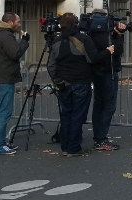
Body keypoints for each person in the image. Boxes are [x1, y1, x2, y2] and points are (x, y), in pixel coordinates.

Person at [47, 13, 113, 157]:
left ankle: (65, 147)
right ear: (76, 24)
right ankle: (73, 148)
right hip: (81, 82)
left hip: (63, 84)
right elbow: (94, 58)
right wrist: (108, 52)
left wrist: (56, 80)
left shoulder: (56, 41)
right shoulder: (83, 39)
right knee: (77, 116)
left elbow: (51, 65)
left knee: (66, 115)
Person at [0, 12, 29, 155]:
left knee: (0, 112)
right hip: (4, 78)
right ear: (10, 22)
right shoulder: (6, 36)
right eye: (17, 21)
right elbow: (15, 53)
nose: (19, 24)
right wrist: (24, 41)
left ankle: (0, 143)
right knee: (3, 113)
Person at [90, 10, 126, 151]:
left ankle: (98, 137)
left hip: (96, 72)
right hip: (108, 73)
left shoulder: (91, 34)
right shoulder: (106, 36)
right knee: (108, 106)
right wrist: (120, 36)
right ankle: (101, 139)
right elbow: (117, 51)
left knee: (99, 105)